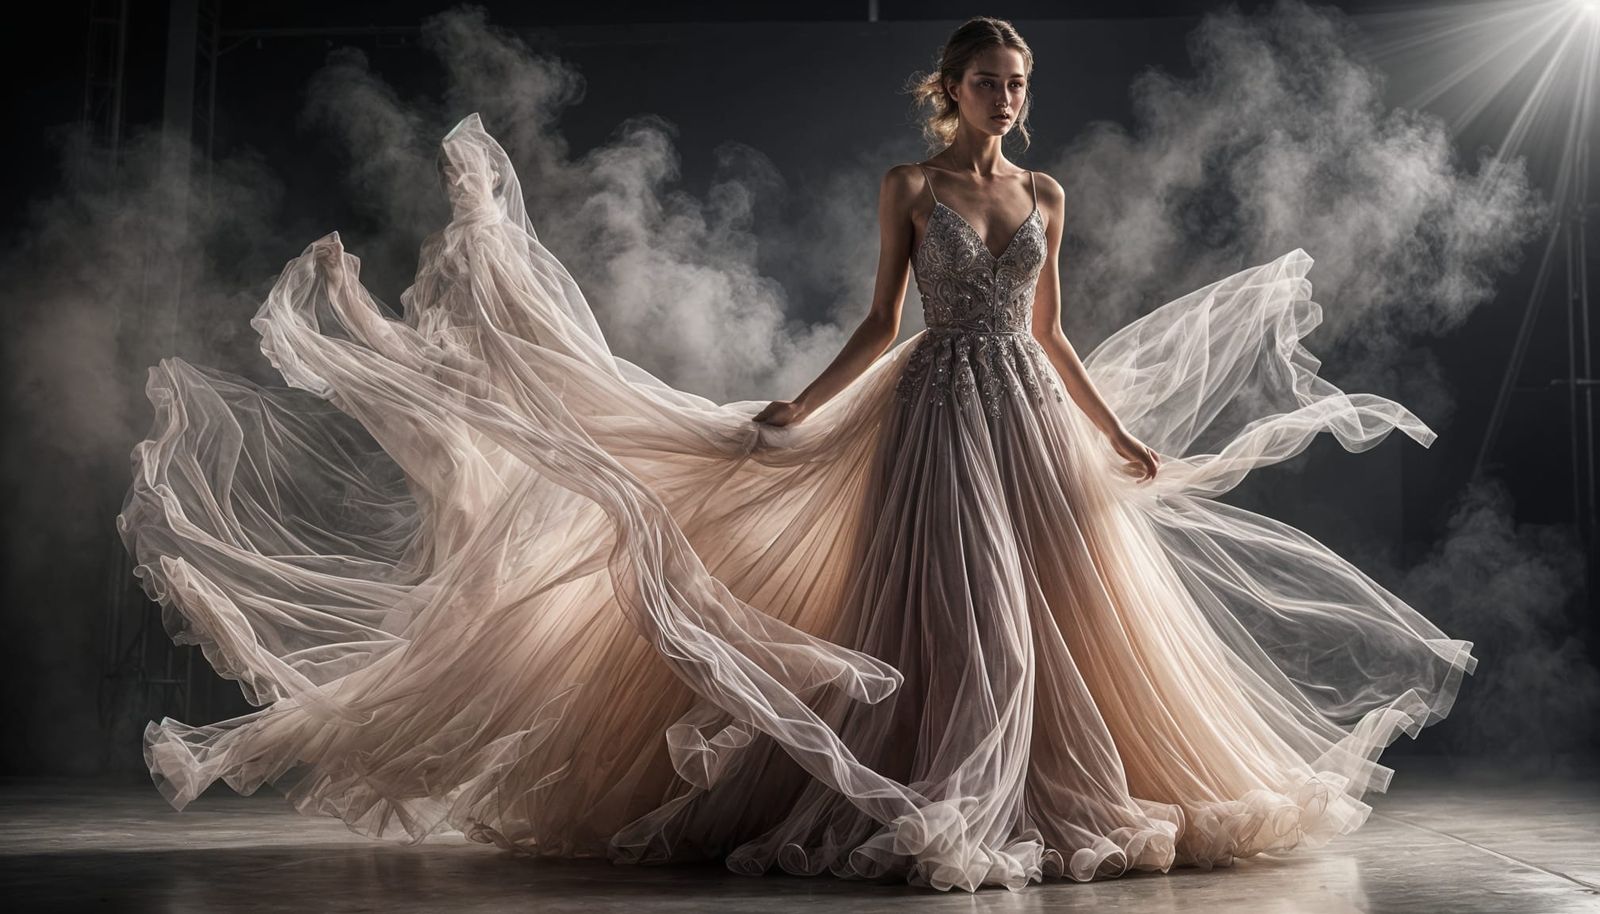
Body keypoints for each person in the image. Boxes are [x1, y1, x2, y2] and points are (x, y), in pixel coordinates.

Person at [120, 16, 1478, 894]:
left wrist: (1115, 433)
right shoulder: (913, 187)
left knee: (1064, 616)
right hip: (933, 411)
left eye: (1018, 81)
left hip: (1028, 413)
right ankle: (943, 784)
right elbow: (882, 320)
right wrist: (800, 409)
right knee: (952, 614)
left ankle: (1033, 778)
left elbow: (1056, 331)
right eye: (984, 81)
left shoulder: (1046, 194)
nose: (1003, 97)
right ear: (948, 91)